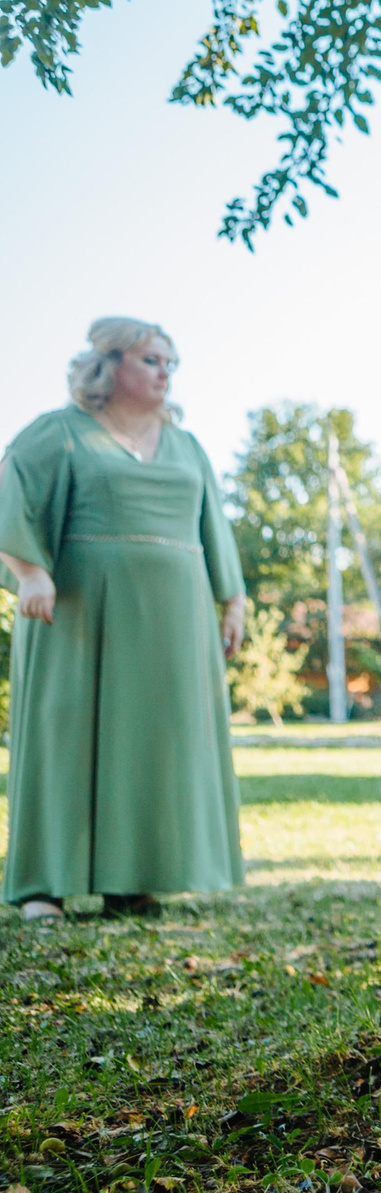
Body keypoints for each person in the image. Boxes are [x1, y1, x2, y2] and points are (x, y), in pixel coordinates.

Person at [0, 318, 246, 922]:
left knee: (153, 741)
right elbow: (10, 494)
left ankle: (133, 879)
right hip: (80, 611)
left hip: (174, 618)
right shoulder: (59, 433)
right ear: (108, 366)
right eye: (151, 360)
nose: (165, 372)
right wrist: (30, 570)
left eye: (170, 363)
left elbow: (211, 521)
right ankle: (43, 885)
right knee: (66, 736)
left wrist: (232, 598)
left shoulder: (187, 445)